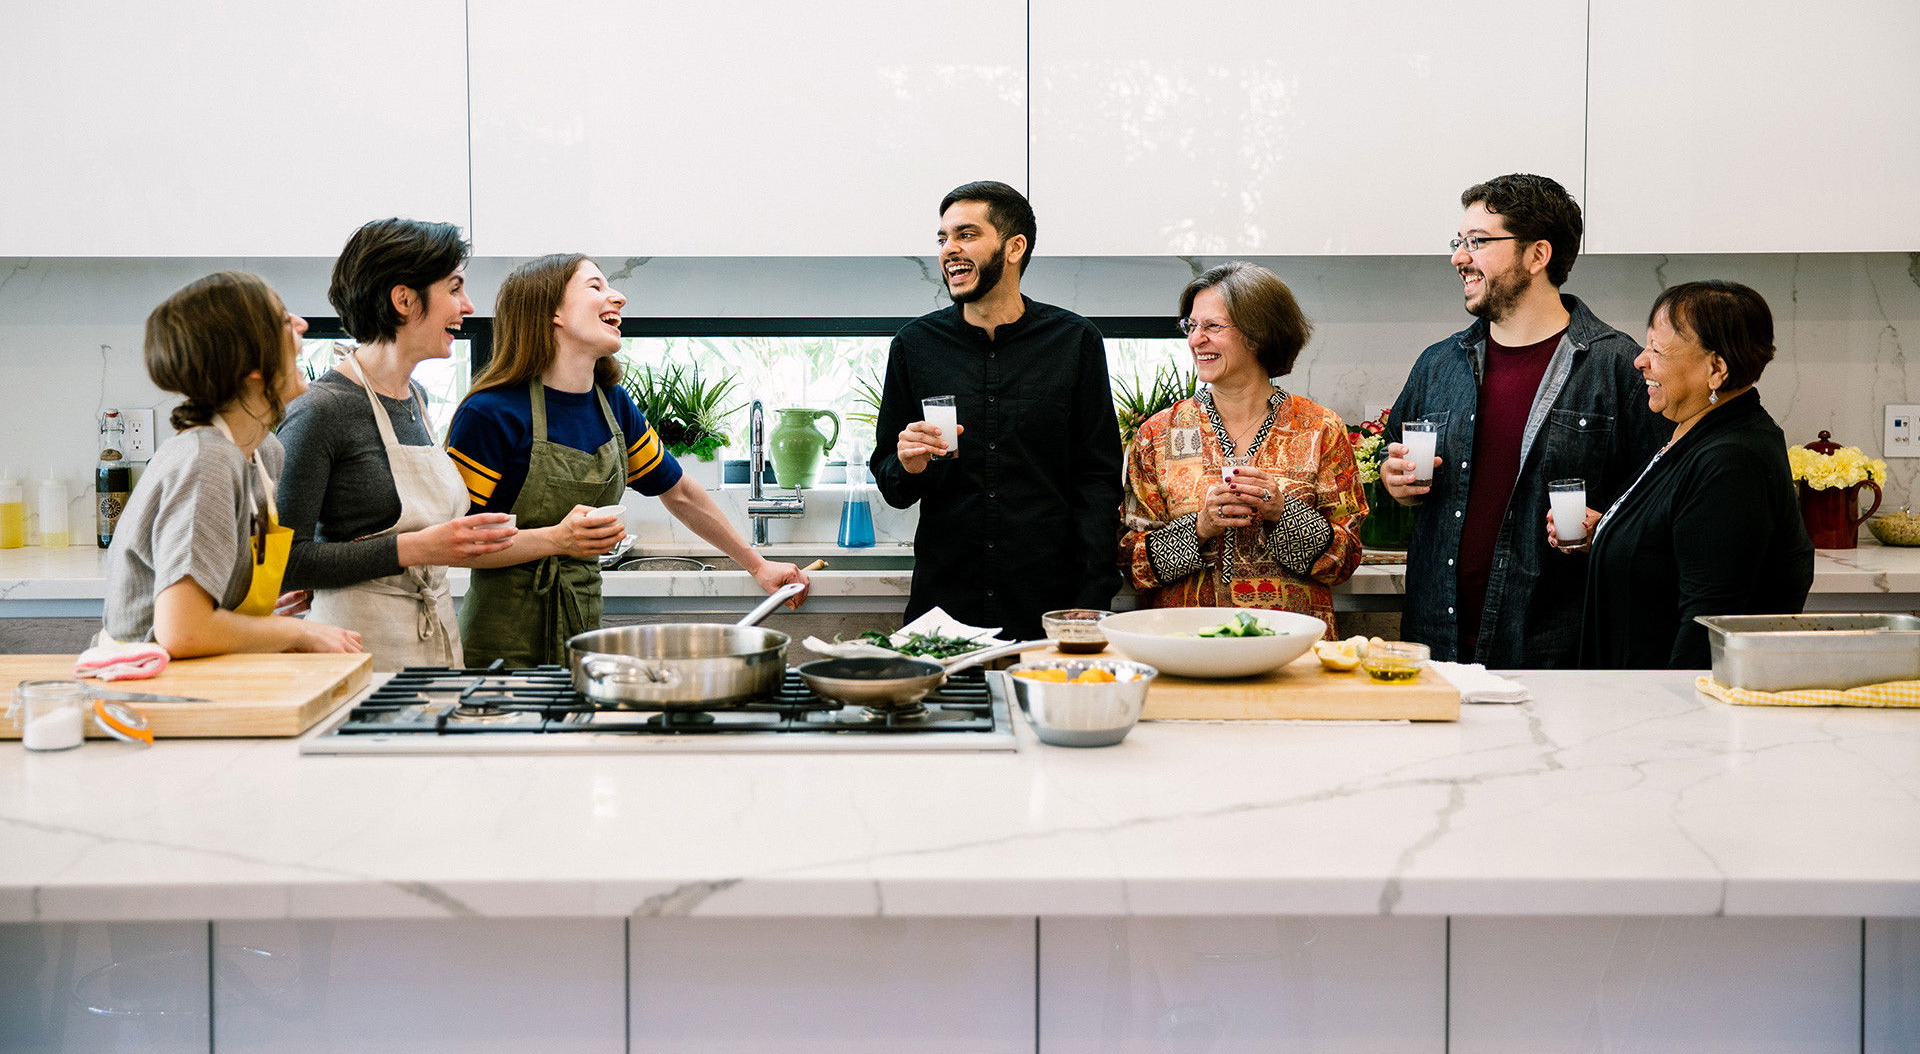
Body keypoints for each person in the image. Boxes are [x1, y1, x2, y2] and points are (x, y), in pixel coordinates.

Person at [446, 254, 810, 667]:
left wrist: (758, 566)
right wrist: (557, 540)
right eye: (595, 287)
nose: (618, 297)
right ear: (552, 312)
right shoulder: (490, 412)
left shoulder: (612, 405)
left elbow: (680, 493)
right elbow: (459, 543)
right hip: (501, 642)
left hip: (582, 631)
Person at [1380, 173, 1666, 668]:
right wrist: (1394, 480)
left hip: (1555, 648)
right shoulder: (1437, 363)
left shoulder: (1618, 366)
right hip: (1437, 641)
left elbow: (1662, 503)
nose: (1458, 257)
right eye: (1459, 241)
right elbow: (1391, 462)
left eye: (1478, 242)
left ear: (1538, 255)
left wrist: (1611, 528)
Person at [869, 180, 1124, 640]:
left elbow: (1098, 481)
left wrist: (1092, 599)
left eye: (966, 235)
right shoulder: (914, 346)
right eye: (943, 239)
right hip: (943, 612)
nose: (949, 250)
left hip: (1049, 610)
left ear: (1014, 247)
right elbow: (893, 482)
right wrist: (908, 463)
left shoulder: (1074, 342)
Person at [277, 219, 514, 672]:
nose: (467, 304)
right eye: (454, 287)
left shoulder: (416, 399)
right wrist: (416, 549)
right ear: (403, 299)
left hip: (434, 639)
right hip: (359, 651)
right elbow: (286, 562)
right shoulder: (322, 410)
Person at [103, 272, 361, 656]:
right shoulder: (207, 460)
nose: (302, 325)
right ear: (253, 364)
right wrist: (296, 634)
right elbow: (183, 629)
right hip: (154, 689)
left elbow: (205, 607)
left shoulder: (263, 452)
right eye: (284, 320)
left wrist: (252, 617)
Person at [1572, 281, 1813, 669]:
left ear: (1715, 369)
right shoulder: (1691, 432)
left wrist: (1676, 724)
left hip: (1666, 711)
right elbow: (1673, 548)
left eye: (1658, 351)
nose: (1640, 361)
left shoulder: (1731, 460)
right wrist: (1612, 531)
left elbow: (1707, 624)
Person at [1119, 262, 1365, 633]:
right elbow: (1132, 561)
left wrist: (1282, 513)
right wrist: (1199, 527)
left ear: (1258, 334)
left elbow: (1344, 560)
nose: (1195, 339)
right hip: (1186, 648)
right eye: (1191, 326)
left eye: (1212, 326)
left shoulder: (1319, 428)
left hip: (1293, 653)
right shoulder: (1158, 433)